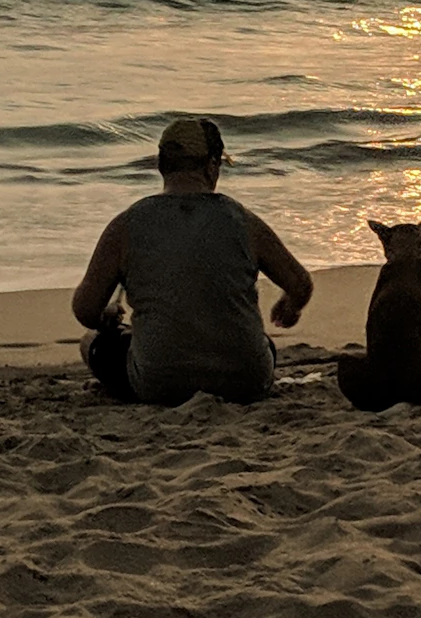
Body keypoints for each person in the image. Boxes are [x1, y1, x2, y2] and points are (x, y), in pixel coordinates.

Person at [72, 116, 313, 404]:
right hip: (246, 381)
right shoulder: (242, 221)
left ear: (161, 165)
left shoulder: (126, 225)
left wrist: (105, 317)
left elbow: (85, 309)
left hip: (160, 385)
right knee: (263, 346)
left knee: (92, 343)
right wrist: (290, 307)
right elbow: (300, 284)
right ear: (211, 166)